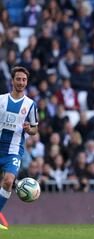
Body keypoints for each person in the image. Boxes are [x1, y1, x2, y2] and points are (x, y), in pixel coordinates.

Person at [0, 66, 38, 230]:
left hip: (13, 150)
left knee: (8, 181)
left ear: (26, 82)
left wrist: (30, 129)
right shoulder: (1, 100)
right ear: (12, 80)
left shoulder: (30, 105)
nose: (21, 82)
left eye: (24, 80)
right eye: (18, 79)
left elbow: (35, 129)